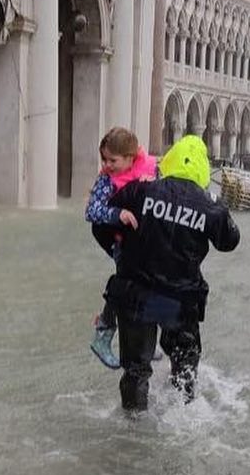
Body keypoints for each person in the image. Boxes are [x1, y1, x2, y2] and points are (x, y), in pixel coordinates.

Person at [103, 134, 240, 411]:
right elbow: (229, 242)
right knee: (185, 364)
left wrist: (118, 252)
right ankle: (184, 413)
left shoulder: (142, 191)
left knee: (136, 371)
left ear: (171, 160)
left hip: (136, 296)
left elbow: (105, 216)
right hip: (179, 300)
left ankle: (132, 429)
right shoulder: (210, 205)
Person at [84, 127, 157, 369]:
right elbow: (91, 211)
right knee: (126, 283)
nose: (106, 164)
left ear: (131, 157)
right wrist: (118, 213)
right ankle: (103, 335)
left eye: (112, 160)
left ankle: (147, 338)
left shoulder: (150, 170)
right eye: (104, 159)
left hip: (143, 240)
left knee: (147, 284)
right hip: (118, 240)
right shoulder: (106, 179)